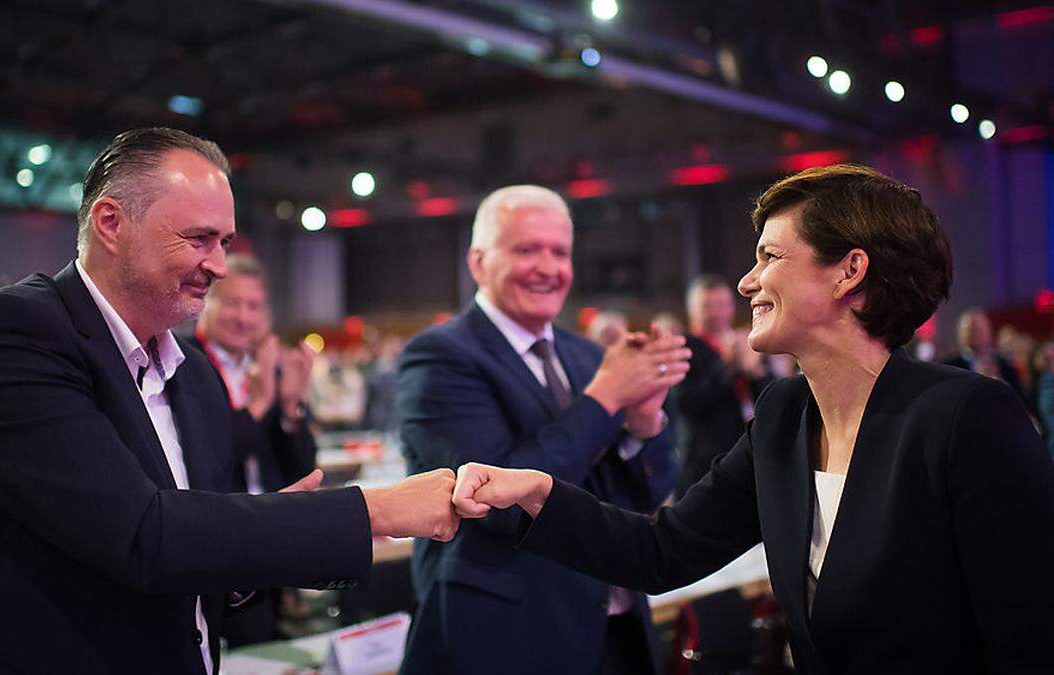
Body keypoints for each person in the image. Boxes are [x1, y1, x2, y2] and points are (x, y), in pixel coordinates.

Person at [0, 128, 460, 675]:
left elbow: (191, 549)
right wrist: (373, 509)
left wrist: (259, 549)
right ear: (111, 223)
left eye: (225, 242)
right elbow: (142, 535)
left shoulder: (195, 378)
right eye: (198, 239)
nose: (216, 263)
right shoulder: (15, 333)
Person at [452, 165, 1054, 674]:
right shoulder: (783, 416)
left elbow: (1028, 637)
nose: (746, 282)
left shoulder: (966, 417)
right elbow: (666, 551)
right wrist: (541, 495)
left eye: (770, 256)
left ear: (850, 271)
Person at [397, 185, 686, 675]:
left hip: (612, 623)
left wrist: (643, 422)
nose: (548, 268)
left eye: (560, 252)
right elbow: (491, 499)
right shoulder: (438, 357)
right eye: (526, 249)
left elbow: (640, 496)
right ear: (478, 262)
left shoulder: (587, 356)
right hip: (508, 635)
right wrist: (607, 397)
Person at [186, 252, 318, 646]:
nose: (244, 317)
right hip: (213, 544)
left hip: (270, 542)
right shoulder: (182, 363)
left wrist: (291, 406)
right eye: (231, 303)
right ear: (205, 304)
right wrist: (258, 406)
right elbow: (207, 457)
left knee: (266, 647)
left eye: (254, 306)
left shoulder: (272, 367)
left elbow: (302, 468)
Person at [669, 275, 774, 499]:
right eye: (708, 306)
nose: (717, 313)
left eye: (723, 305)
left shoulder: (748, 342)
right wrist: (728, 366)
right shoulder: (684, 348)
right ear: (693, 311)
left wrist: (756, 373)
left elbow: (771, 396)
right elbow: (686, 401)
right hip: (702, 458)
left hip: (744, 452)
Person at [945, 307, 1024, 394]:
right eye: (970, 329)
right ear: (960, 334)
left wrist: (1001, 383)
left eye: (978, 329)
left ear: (989, 331)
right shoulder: (950, 367)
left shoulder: (1004, 365)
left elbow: (1019, 398)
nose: (974, 334)